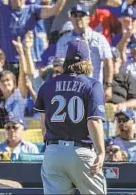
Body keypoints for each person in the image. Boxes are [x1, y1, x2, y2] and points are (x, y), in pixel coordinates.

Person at [34, 39, 107, 194]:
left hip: (53, 152)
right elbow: (93, 122)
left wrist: (53, 148)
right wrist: (101, 152)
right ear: (87, 61)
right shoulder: (93, 85)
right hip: (81, 151)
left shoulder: (47, 85)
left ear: (66, 61)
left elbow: (43, 126)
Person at [109, 47, 136, 112]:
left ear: (120, 62)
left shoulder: (127, 78)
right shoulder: (100, 78)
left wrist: (119, 106)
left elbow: (135, 102)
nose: (113, 63)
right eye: (110, 61)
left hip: (123, 111)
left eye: (115, 60)